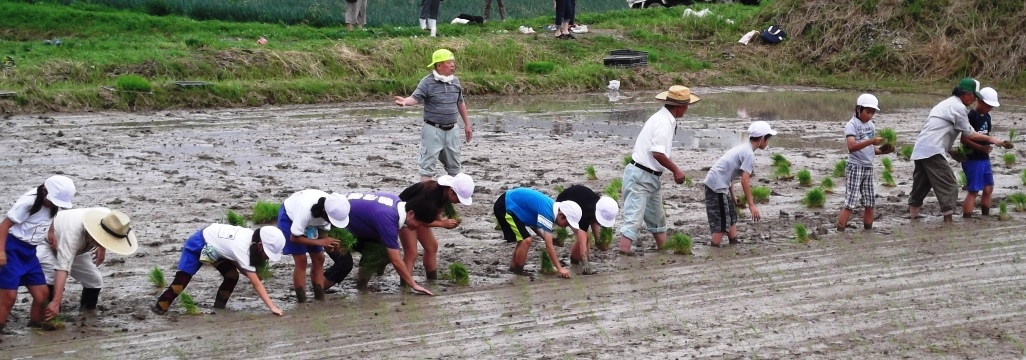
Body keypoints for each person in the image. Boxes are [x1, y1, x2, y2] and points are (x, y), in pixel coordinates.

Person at [908, 78, 1005, 222]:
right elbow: (969, 133)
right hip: (933, 150)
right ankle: (948, 219)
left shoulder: (947, 104)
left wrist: (951, 150)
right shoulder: (959, 108)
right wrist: (992, 140)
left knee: (922, 183)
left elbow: (936, 131)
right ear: (967, 94)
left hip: (923, 148)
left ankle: (914, 215)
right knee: (950, 185)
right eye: (974, 97)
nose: (973, 101)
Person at [617, 85, 697, 255]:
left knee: (657, 217)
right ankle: (623, 253)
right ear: (679, 106)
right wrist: (676, 170)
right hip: (640, 176)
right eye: (686, 106)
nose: (687, 109)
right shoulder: (663, 123)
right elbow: (658, 153)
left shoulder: (664, 118)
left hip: (649, 176)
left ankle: (664, 249)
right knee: (633, 218)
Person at [153, 224, 286, 316]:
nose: (267, 258)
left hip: (216, 248)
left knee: (232, 276)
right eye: (267, 254)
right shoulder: (243, 248)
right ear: (260, 245)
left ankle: (219, 308)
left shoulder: (251, 239)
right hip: (199, 242)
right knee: (180, 282)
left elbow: (235, 259)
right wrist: (272, 307)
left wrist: (249, 273)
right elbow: (256, 283)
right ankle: (159, 308)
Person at [0, 175, 75, 332]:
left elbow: (50, 217)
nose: (54, 205)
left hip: (30, 252)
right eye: (52, 201)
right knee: (9, 297)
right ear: (44, 191)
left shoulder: (53, 205)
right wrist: (1, 252)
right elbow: (4, 225)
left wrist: (51, 232)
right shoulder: (28, 202)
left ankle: (36, 325)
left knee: (42, 294)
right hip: (12, 249)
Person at [322, 192, 436, 296]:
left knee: (381, 251)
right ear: (411, 213)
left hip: (350, 224)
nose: (419, 227)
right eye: (420, 223)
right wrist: (413, 284)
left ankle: (361, 286)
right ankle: (317, 290)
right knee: (344, 265)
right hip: (328, 224)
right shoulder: (388, 219)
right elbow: (396, 259)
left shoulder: (395, 201)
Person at [43, 208, 139, 322]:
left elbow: (106, 232)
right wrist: (56, 301)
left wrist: (102, 248)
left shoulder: (110, 218)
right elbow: (62, 268)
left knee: (94, 280)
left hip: (78, 246)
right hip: (45, 241)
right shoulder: (73, 235)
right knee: (51, 278)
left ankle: (87, 314)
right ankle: (48, 317)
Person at [394, 49, 473, 182]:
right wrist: (405, 102)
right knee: (427, 167)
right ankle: (425, 197)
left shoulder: (455, 82)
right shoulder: (427, 82)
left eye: (453, 62)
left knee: (455, 168)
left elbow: (460, 103)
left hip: (452, 130)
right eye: (449, 62)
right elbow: (415, 98)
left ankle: (452, 197)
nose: (452, 65)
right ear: (439, 65)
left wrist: (467, 125)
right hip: (433, 130)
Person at [703, 121, 776, 246]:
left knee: (731, 217)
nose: (767, 142)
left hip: (721, 184)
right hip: (716, 186)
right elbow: (744, 180)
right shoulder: (749, 154)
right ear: (763, 139)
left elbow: (728, 173)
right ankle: (713, 251)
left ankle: (734, 243)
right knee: (721, 223)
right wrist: (751, 204)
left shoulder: (743, 148)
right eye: (768, 139)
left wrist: (733, 196)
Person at [276, 189, 350, 303]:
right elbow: (294, 238)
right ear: (325, 211)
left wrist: (329, 245)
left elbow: (323, 232)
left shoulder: (332, 208)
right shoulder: (304, 210)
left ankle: (319, 297)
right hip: (290, 219)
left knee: (319, 258)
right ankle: (302, 300)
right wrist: (321, 242)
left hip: (312, 224)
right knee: (301, 260)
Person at [398, 173, 475, 281]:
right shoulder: (429, 197)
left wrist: (443, 221)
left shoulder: (443, 193)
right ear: (451, 191)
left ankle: (432, 281)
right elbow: (422, 221)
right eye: (459, 198)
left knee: (432, 246)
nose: (459, 202)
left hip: (420, 215)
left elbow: (433, 213)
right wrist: (443, 224)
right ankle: (405, 286)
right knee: (411, 252)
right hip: (405, 217)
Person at [493, 187, 583, 278]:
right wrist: (560, 268)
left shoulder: (551, 207)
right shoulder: (548, 213)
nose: (566, 226)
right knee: (526, 240)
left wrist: (544, 237)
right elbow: (549, 247)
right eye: (567, 223)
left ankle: (514, 267)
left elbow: (533, 223)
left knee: (523, 239)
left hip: (510, 203)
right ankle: (518, 272)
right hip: (505, 206)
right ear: (561, 215)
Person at [836, 94, 892, 232]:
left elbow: (872, 150)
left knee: (870, 201)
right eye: (867, 112)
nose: (870, 116)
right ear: (858, 109)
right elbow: (851, 147)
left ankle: (868, 231)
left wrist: (884, 151)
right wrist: (871, 141)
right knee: (851, 202)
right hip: (855, 167)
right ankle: (840, 231)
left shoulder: (871, 126)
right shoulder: (852, 125)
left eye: (872, 113)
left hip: (868, 167)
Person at [960, 87, 1002, 217]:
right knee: (973, 190)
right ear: (980, 101)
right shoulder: (970, 117)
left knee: (988, 188)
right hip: (973, 158)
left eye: (991, 107)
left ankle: (985, 216)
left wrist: (998, 143)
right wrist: (980, 148)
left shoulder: (987, 117)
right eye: (988, 106)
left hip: (984, 158)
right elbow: (963, 138)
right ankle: (967, 218)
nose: (990, 109)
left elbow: (986, 136)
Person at [555, 185, 618, 270]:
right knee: (585, 237)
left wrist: (598, 240)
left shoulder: (598, 206)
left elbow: (593, 221)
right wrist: (586, 262)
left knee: (588, 234)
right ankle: (575, 259)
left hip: (581, 200)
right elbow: (582, 240)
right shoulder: (585, 213)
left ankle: (583, 259)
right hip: (565, 204)